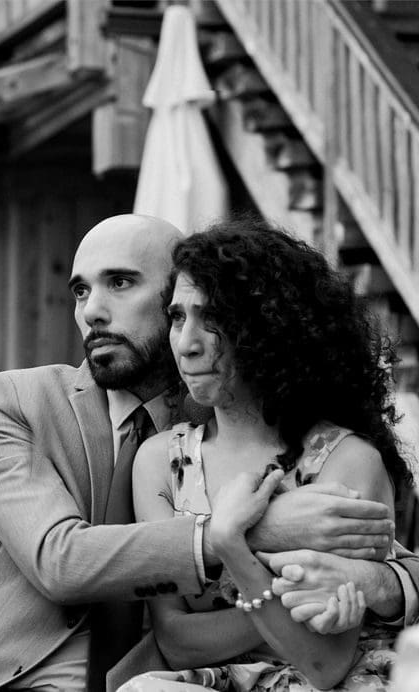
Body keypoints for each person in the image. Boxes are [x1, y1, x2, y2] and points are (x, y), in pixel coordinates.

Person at [0, 214, 419, 692]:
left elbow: (380, 562)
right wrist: (246, 533)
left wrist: (381, 583)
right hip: (7, 674)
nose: (91, 311)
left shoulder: (228, 408)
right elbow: (59, 561)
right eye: (80, 290)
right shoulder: (23, 400)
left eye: (120, 282)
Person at [121, 220, 413, 690]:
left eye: (212, 317)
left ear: (270, 327)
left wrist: (232, 543)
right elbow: (175, 640)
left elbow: (325, 663)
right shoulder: (161, 461)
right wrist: (282, 608)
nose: (187, 343)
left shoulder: (345, 460)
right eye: (177, 317)